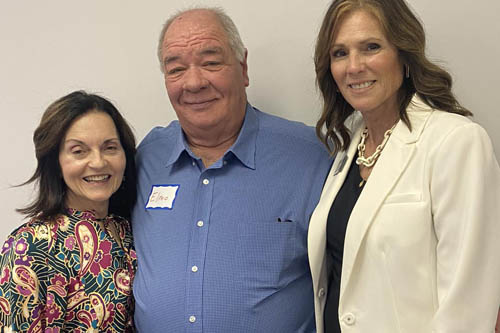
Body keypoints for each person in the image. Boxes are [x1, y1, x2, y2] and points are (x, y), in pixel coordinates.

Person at [131, 7, 332, 332]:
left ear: (243, 68)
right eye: (176, 69)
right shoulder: (147, 157)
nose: (193, 82)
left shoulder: (311, 158)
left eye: (211, 62)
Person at [307, 0, 500, 332]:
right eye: (340, 53)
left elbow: (468, 306)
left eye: (371, 47)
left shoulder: (456, 142)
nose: (353, 66)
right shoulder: (348, 150)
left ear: (405, 57)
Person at [0, 91, 137, 332]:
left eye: (110, 147)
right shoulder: (30, 246)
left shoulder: (132, 230)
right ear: (55, 162)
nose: (98, 162)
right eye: (78, 151)